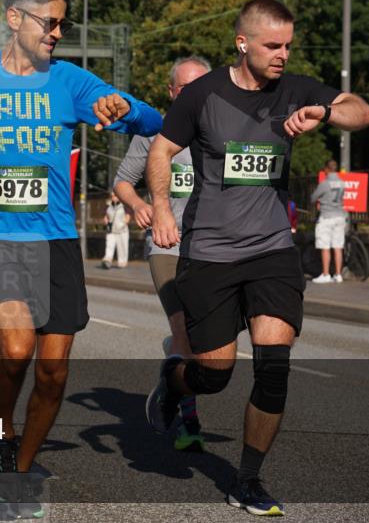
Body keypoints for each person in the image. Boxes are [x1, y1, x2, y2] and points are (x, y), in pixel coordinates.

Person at [0, 0, 162, 517]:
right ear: (14, 17)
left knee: (54, 371)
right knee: (17, 349)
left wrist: (126, 109)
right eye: (49, 23)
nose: (56, 34)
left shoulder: (71, 82)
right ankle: (1, 431)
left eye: (62, 25)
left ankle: (19, 470)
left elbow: (153, 121)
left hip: (57, 240)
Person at [146, 0, 369, 516]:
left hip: (272, 249)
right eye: (273, 45)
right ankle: (174, 381)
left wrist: (325, 111)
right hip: (210, 252)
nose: (282, 54)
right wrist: (160, 208)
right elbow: (160, 151)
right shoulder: (202, 94)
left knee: (274, 368)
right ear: (242, 43)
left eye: (288, 45)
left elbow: (364, 112)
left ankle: (247, 480)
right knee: (214, 372)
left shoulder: (296, 89)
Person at [113, 55, 210, 452]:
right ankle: (189, 422)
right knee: (184, 329)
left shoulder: (224, 129)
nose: (193, 94)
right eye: (185, 87)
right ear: (172, 92)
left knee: (208, 342)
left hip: (212, 248)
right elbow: (122, 182)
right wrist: (139, 205)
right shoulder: (154, 131)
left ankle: (173, 365)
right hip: (167, 245)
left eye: (201, 86)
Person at [310, 160, 347, 283]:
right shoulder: (342, 183)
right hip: (340, 216)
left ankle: (326, 274)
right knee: (338, 246)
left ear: (327, 169)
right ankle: (338, 274)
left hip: (326, 216)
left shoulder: (325, 184)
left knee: (325, 246)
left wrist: (320, 201)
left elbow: (313, 197)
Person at [100, 197, 130, 269]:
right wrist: (106, 221)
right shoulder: (108, 205)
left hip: (122, 230)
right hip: (111, 230)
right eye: (112, 196)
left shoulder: (124, 205)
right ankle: (107, 260)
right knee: (109, 245)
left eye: (115, 196)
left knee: (122, 246)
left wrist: (124, 223)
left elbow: (128, 216)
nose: (114, 197)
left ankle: (122, 261)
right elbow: (105, 215)